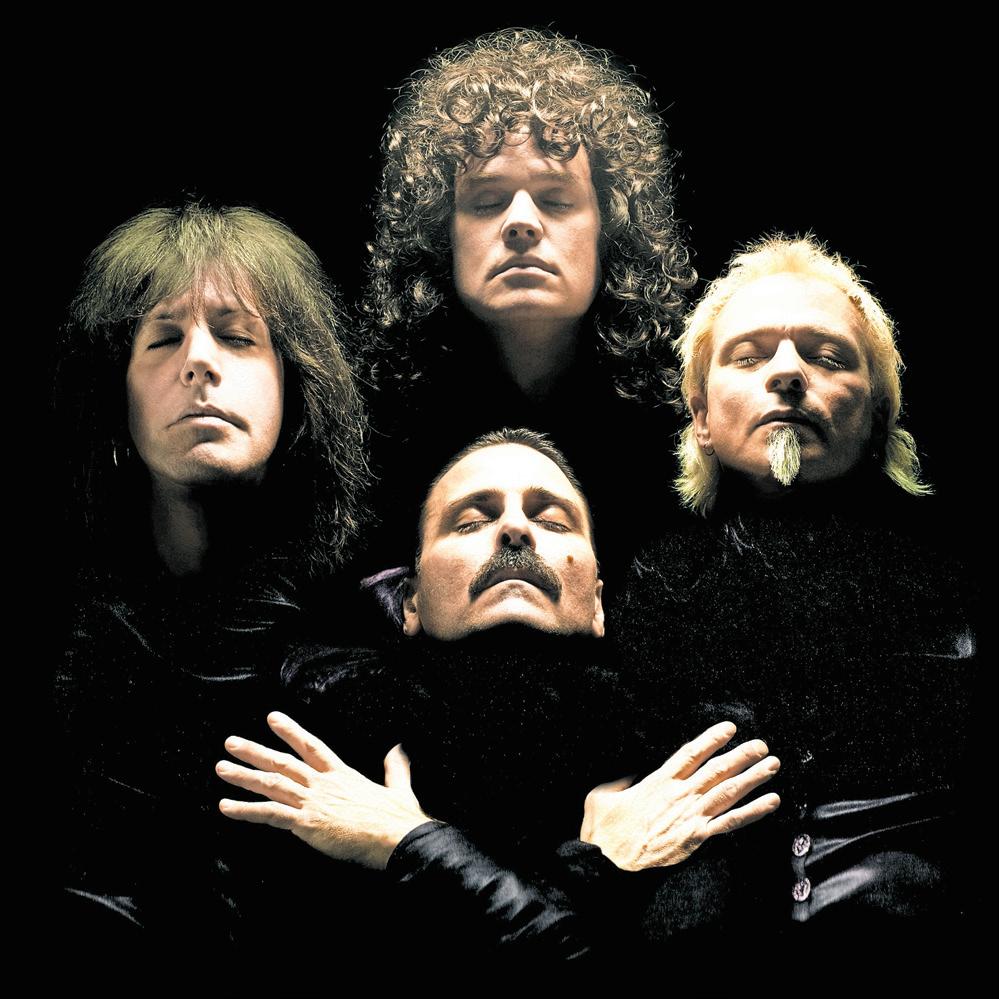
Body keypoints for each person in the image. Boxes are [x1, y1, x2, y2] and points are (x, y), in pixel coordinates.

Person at [217, 429, 781, 968]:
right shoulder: (325, 761)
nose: (515, 528)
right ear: (410, 602)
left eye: (551, 520)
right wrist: (602, 866)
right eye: (470, 522)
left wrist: (407, 844)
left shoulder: (691, 767)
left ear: (598, 604)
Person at [611, 235, 980, 981]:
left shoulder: (959, 586)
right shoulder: (638, 592)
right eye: (748, 356)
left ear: (877, 415)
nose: (786, 372)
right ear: (701, 415)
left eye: (827, 356)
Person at [54, 201, 369, 974]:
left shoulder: (364, 650)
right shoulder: (66, 654)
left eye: (237, 336)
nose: (198, 362)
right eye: (163, 339)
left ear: (296, 388)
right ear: (118, 396)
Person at [359, 28, 696, 591]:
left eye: (557, 200)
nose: (521, 222)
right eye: (487, 201)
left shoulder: (686, 417)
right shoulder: (373, 425)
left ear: (610, 230)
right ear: (440, 235)